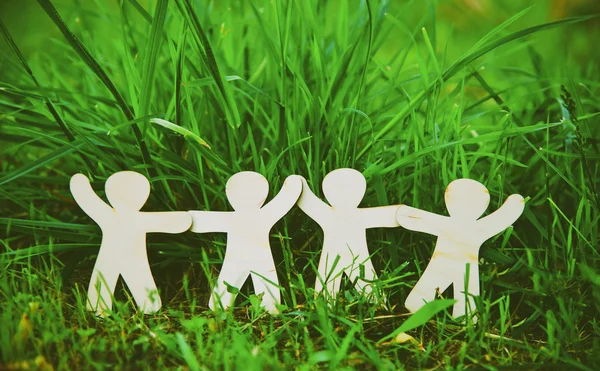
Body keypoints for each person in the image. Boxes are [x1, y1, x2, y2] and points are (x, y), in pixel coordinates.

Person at [396, 178, 525, 321]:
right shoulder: (478, 228)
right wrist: (514, 203)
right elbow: (504, 216)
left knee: (457, 294)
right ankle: (414, 311)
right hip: (447, 265)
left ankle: (461, 319)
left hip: (456, 268)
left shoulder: (474, 228)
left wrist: (403, 212)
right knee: (439, 292)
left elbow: (409, 217)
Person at [70, 171, 192, 317]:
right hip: (123, 257)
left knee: (114, 277)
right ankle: (104, 307)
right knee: (131, 277)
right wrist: (185, 218)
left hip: (124, 257)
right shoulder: (119, 216)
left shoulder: (108, 214)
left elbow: (86, 198)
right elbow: (176, 222)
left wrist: (80, 183)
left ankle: (106, 307)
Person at [188, 172, 302, 313]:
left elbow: (284, 200)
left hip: (256, 257)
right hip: (242, 257)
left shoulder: (263, 214)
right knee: (234, 278)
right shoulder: (260, 215)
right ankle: (223, 306)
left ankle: (269, 308)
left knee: (260, 281)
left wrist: (293, 185)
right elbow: (199, 221)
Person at [297, 168, 401, 301]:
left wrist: (403, 214)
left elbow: (392, 216)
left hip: (356, 256)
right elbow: (307, 201)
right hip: (336, 256)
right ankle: (324, 305)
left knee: (366, 283)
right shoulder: (328, 214)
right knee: (329, 284)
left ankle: (377, 304)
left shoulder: (349, 215)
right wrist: (298, 183)